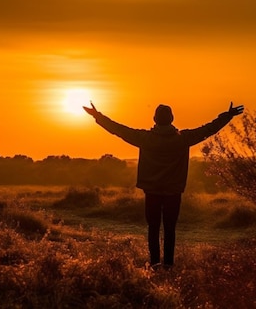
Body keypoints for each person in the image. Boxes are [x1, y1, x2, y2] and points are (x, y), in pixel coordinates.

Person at [83, 101, 244, 269]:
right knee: (170, 229)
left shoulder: (145, 138)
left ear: (154, 119)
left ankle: (154, 264)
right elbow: (209, 129)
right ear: (172, 118)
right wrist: (227, 116)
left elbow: (118, 130)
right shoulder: (183, 138)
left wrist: (97, 116)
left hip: (151, 191)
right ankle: (168, 264)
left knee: (153, 228)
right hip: (174, 191)